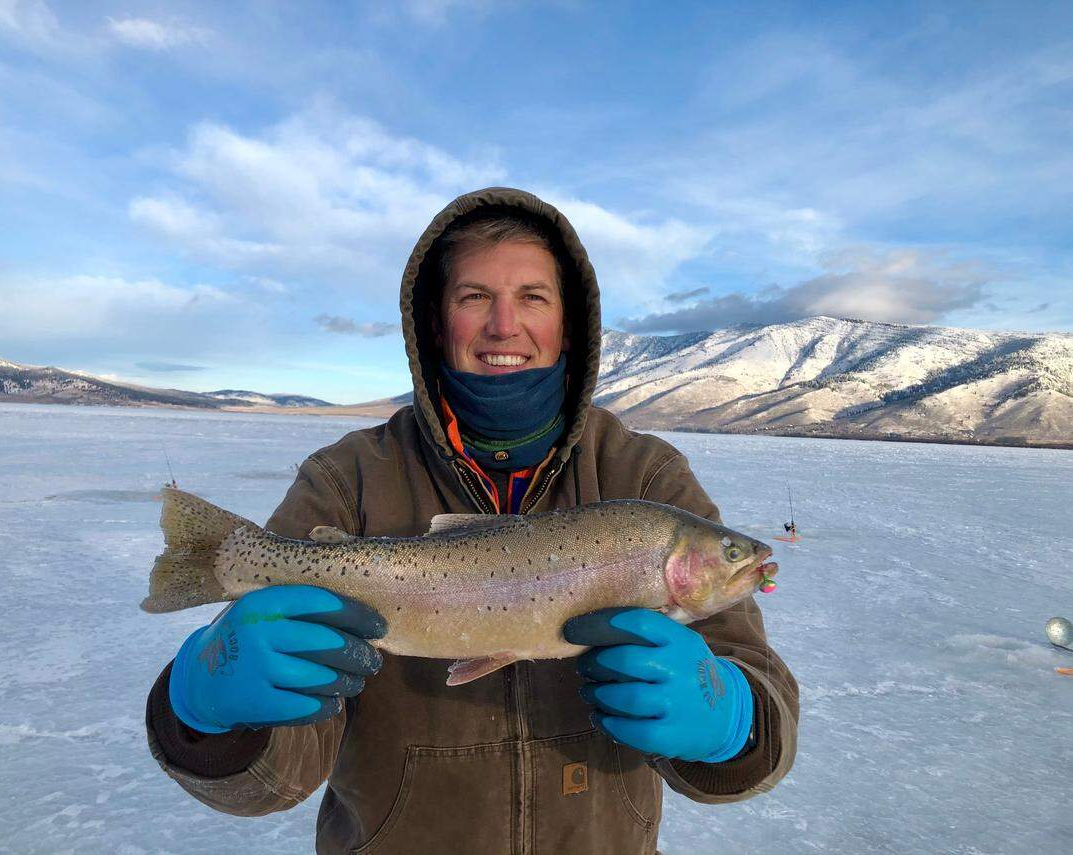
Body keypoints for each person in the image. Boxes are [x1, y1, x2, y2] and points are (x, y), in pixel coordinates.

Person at [145, 187, 799, 853]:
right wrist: (206, 713)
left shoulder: (645, 476)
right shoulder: (348, 478)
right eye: (475, 296)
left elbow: (763, 716)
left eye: (533, 298)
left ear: (569, 323)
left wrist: (733, 722)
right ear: (436, 321)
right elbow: (279, 775)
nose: (504, 324)